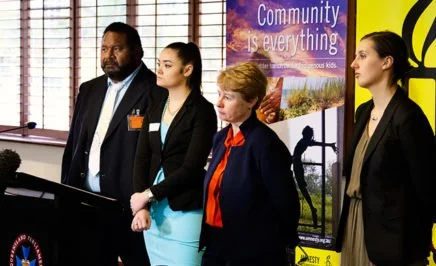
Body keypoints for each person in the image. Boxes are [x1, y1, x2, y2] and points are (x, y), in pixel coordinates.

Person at [61, 22, 166, 266]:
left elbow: (157, 156)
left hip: (130, 206)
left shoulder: (156, 91)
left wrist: (145, 202)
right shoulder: (89, 89)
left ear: (138, 52)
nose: (108, 56)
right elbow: (74, 144)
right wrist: (66, 191)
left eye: (117, 49)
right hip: (87, 201)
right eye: (104, 48)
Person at [335, 31, 434, 266]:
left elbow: (427, 187)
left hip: (392, 239)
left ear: (387, 62)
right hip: (354, 225)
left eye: (362, 55)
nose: (353, 64)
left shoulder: (408, 117)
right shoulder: (363, 111)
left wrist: (420, 238)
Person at [199, 62, 300, 266]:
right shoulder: (221, 138)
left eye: (228, 97)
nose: (219, 103)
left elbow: (287, 205)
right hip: (216, 245)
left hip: (253, 252)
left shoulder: (265, 143)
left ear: (252, 100)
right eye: (219, 94)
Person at [130, 42, 217, 266]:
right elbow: (142, 158)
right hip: (153, 214)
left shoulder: (202, 110)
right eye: (159, 64)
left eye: (167, 65)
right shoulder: (155, 107)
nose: (159, 70)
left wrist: (147, 195)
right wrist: (142, 206)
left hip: (185, 211)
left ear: (187, 70)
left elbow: (191, 168)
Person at [293, 125, 336, 229]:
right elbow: (316, 143)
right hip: (296, 164)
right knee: (302, 189)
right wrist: (329, 145)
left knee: (302, 189)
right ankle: (312, 209)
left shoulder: (304, 141)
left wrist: (329, 145)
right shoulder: (304, 141)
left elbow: (316, 144)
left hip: (297, 165)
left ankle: (312, 209)